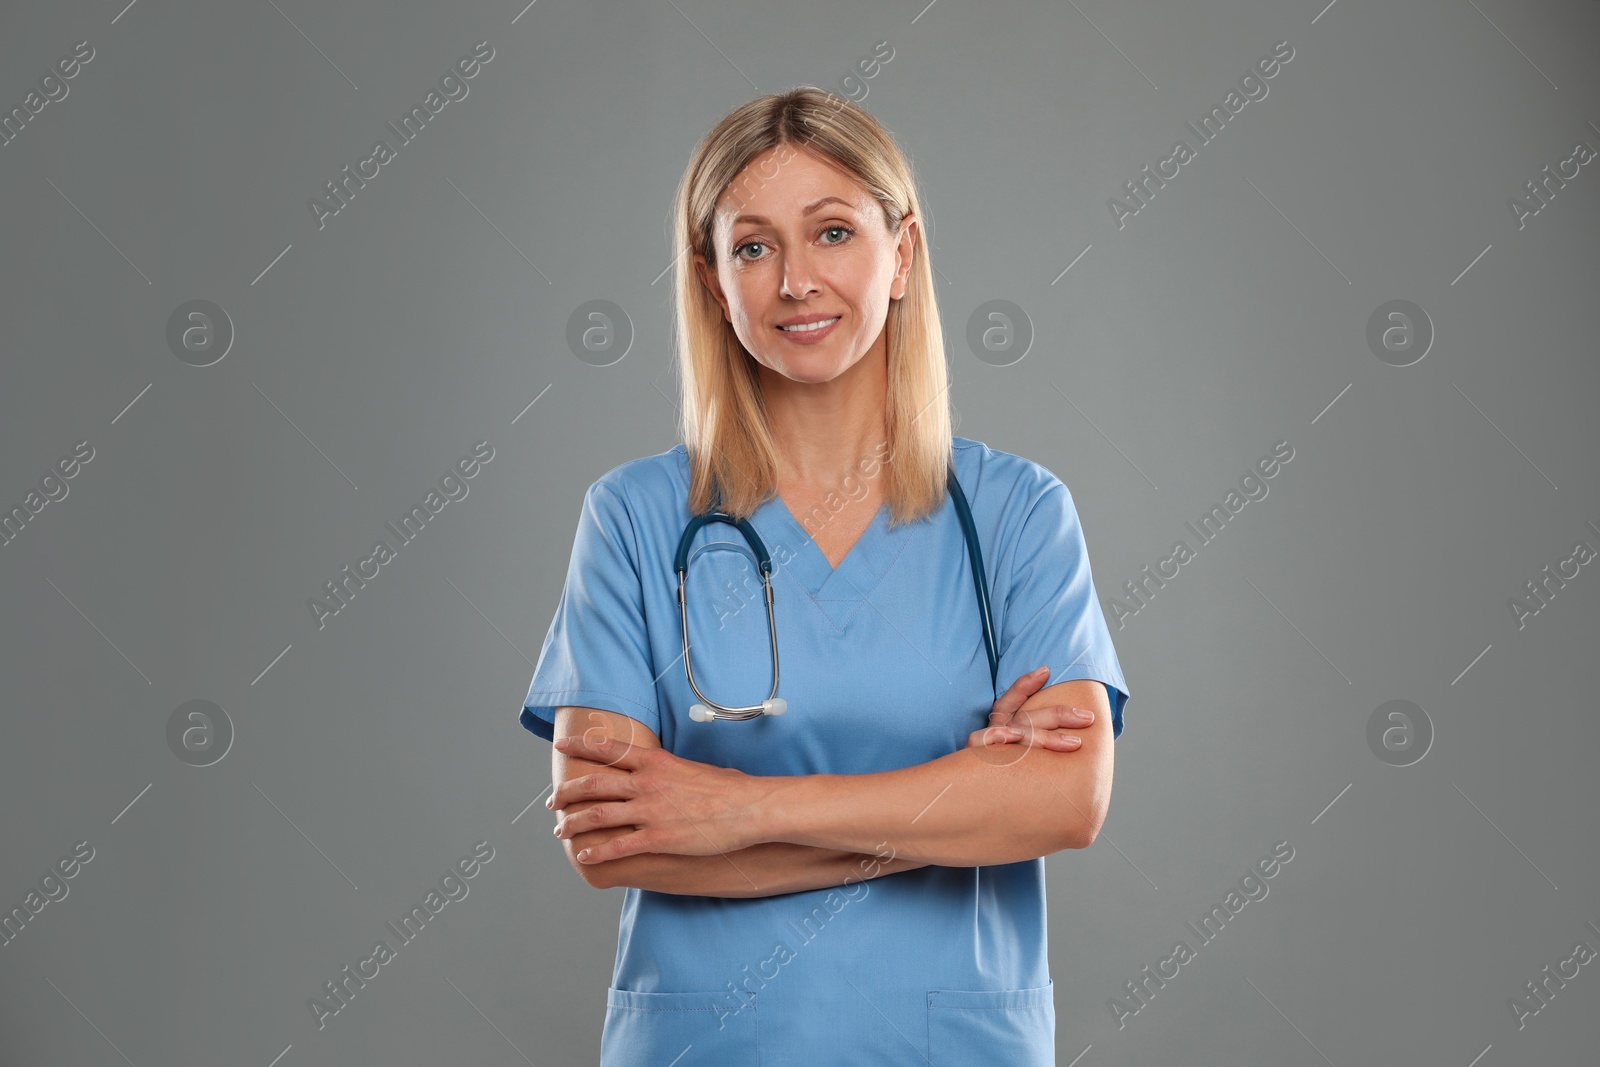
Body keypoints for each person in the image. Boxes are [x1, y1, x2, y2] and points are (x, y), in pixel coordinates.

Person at [518, 86, 1130, 1066]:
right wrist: (957, 801)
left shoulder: (1015, 514)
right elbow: (615, 839)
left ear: (903, 254)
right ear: (713, 280)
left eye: (833, 231)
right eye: (753, 246)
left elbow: (1062, 802)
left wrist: (737, 809)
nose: (796, 280)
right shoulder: (634, 518)